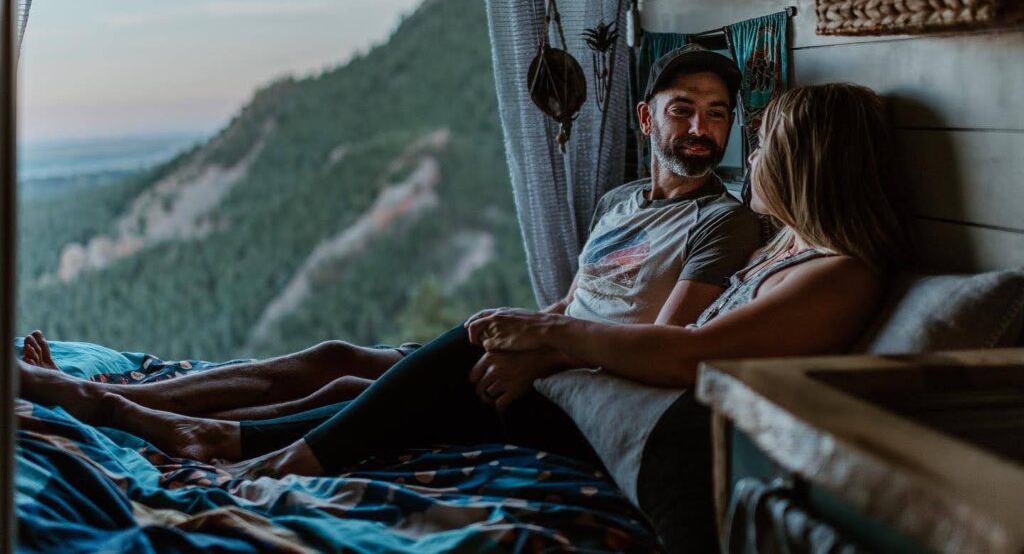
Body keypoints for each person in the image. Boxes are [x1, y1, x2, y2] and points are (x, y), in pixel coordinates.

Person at [17, 43, 762, 465]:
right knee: (339, 357)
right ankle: (135, 407)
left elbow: (663, 346)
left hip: (588, 398)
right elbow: (575, 305)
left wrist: (539, 354)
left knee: (359, 383)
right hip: (550, 361)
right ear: (646, 118)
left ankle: (139, 414)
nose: (701, 128)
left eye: (718, 114)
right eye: (684, 110)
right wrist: (538, 334)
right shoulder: (620, 202)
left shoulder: (722, 224)